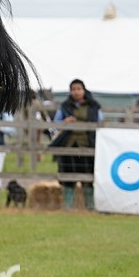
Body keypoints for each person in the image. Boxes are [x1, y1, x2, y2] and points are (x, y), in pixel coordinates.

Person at [50, 79, 102, 210]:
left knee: (88, 178)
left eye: (78, 89)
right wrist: (64, 122)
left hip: (88, 146)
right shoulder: (65, 106)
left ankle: (90, 207)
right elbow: (54, 125)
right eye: (73, 89)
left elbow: (101, 123)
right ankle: (68, 207)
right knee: (68, 179)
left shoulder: (94, 107)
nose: (76, 92)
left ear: (84, 90)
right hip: (69, 146)